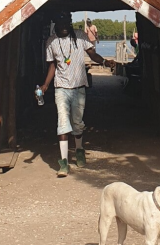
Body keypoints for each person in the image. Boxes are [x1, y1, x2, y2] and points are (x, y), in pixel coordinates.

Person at [41, 11, 113, 177]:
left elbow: (92, 53)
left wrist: (104, 62)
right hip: (61, 88)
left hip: (79, 87)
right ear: (56, 25)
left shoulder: (80, 36)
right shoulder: (51, 41)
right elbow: (52, 65)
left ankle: (79, 149)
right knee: (62, 123)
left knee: (77, 122)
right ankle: (64, 162)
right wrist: (45, 84)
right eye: (61, 24)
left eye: (67, 23)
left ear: (71, 23)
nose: (65, 27)